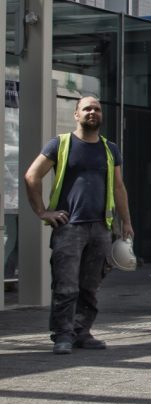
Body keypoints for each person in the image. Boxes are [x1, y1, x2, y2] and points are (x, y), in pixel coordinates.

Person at [24, 96, 135, 355]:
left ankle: (82, 332)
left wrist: (126, 221)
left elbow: (119, 187)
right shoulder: (60, 144)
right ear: (76, 114)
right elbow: (32, 176)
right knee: (65, 285)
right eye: (87, 109)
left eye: (96, 109)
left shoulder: (110, 149)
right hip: (70, 227)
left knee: (90, 286)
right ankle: (62, 335)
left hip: (100, 227)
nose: (92, 112)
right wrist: (42, 212)